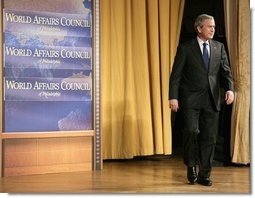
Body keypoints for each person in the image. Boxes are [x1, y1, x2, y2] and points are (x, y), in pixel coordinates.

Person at [168, 14, 234, 186]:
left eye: (213, 26)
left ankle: (205, 174)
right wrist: (173, 97)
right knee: (191, 131)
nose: (213, 29)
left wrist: (230, 89)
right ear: (199, 28)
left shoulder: (219, 47)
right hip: (190, 99)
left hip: (212, 99)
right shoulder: (185, 48)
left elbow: (226, 72)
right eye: (209, 26)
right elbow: (176, 76)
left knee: (209, 138)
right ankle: (191, 166)